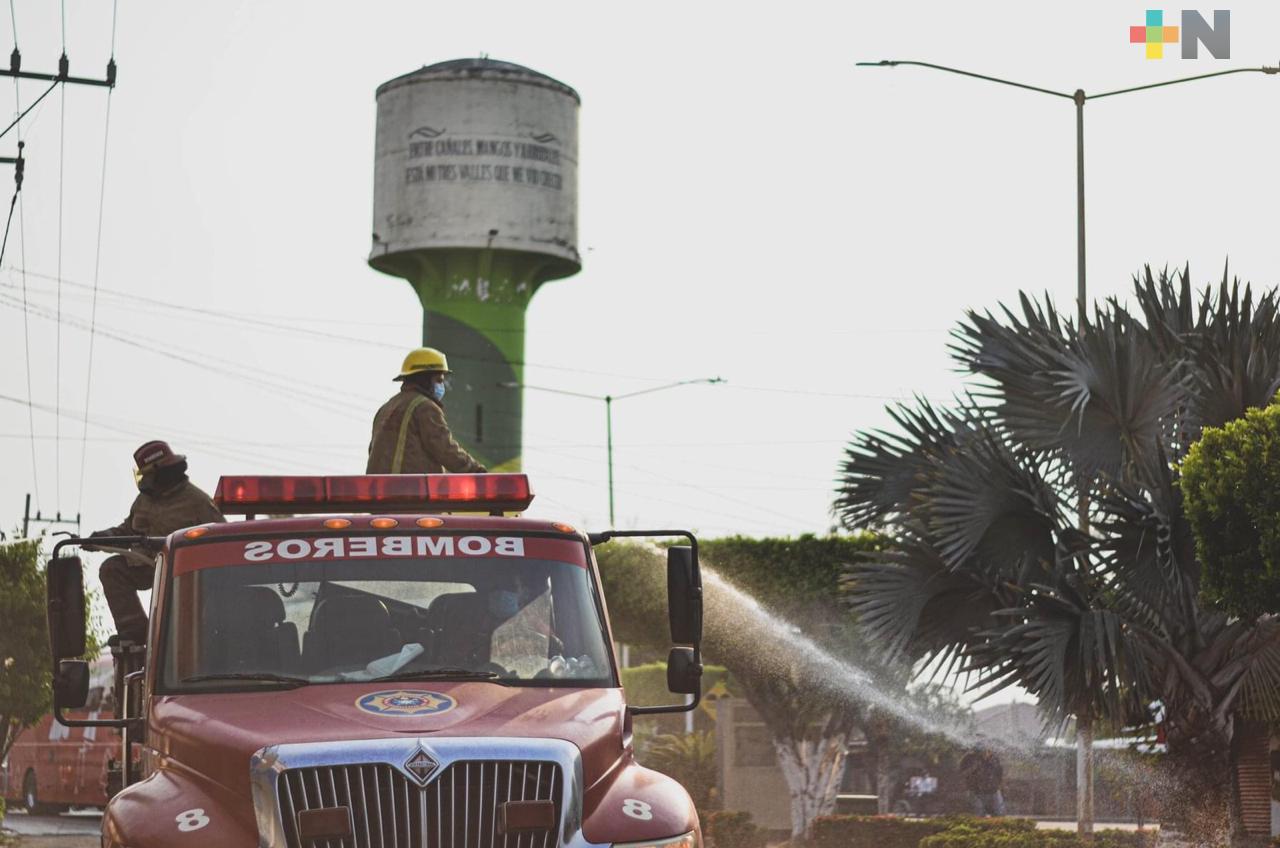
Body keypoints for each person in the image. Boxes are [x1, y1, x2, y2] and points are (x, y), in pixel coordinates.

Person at [88, 441, 224, 644]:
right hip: (146, 565)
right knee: (111, 569)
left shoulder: (198, 502)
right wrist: (102, 537)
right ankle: (135, 631)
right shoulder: (144, 500)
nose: (144, 481)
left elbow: (221, 539)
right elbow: (128, 531)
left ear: (161, 472)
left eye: (147, 475)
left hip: (183, 571)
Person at [366, 347, 487, 474]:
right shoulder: (424, 407)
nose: (442, 386)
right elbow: (445, 449)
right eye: (439, 380)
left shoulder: (385, 408)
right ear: (424, 379)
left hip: (378, 485)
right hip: (411, 485)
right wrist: (477, 472)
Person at [959, 747, 1005, 816]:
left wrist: (999, 785)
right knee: (978, 813)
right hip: (976, 792)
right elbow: (962, 774)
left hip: (993, 791)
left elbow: (999, 773)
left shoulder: (994, 758)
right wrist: (973, 768)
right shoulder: (969, 758)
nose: (986, 753)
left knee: (999, 813)